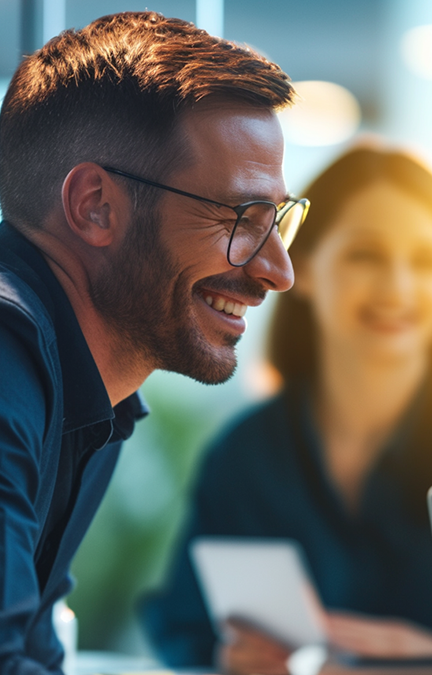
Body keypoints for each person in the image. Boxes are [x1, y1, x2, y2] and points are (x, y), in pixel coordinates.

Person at [0, 11, 309, 675]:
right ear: (95, 205)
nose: (279, 269)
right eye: (241, 217)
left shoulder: (85, 390)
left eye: (278, 220)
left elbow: (31, 650)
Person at [141, 143, 432, 673]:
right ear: (304, 271)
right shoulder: (246, 457)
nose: (399, 287)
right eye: (366, 255)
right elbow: (183, 625)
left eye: (425, 260)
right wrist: (225, 657)